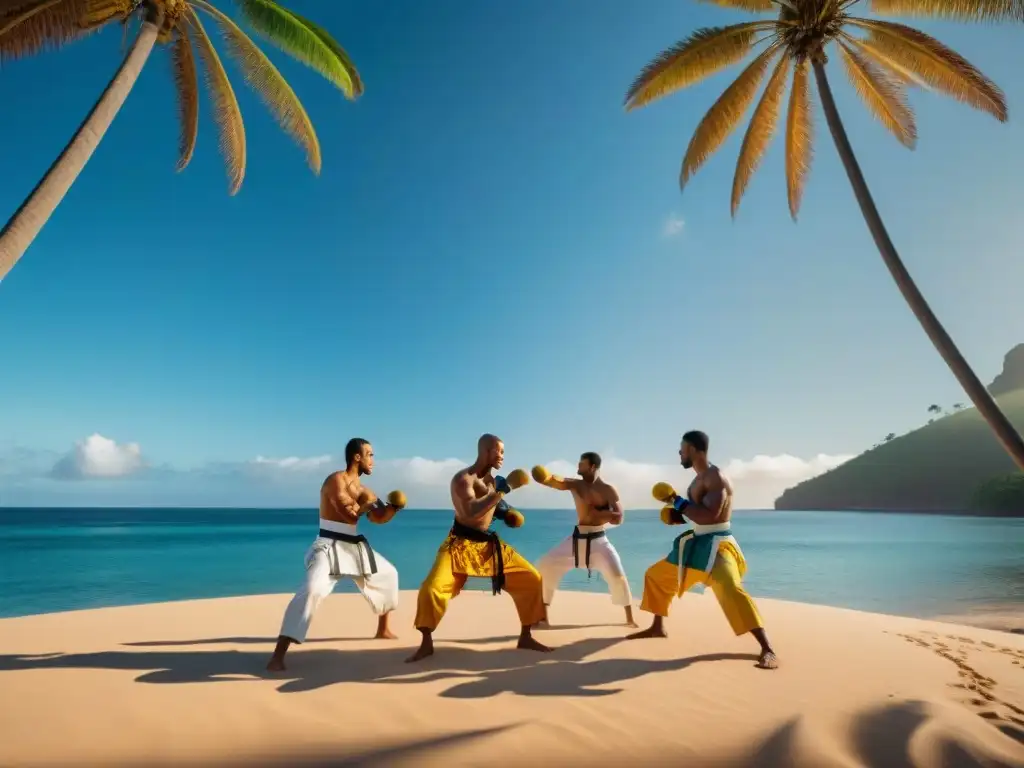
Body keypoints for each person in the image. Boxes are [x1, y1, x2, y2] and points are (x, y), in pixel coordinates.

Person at [627, 430, 779, 670]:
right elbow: (697, 514)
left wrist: (677, 501)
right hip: (697, 542)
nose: (679, 452)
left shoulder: (715, 478)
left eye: (682, 448)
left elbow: (711, 516)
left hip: (718, 545)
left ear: (695, 450)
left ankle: (767, 649)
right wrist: (675, 515)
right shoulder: (698, 480)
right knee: (655, 576)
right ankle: (658, 627)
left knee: (731, 589)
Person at [406, 433, 552, 663]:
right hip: (459, 544)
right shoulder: (463, 480)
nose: (502, 456)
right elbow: (471, 511)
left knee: (531, 578)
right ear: (486, 451)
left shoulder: (493, 483)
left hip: (487, 545)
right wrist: (504, 489)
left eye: (503, 452)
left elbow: (495, 504)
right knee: (432, 588)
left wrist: (508, 513)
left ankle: (526, 636)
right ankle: (426, 643)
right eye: (499, 451)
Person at [266, 438, 406, 672]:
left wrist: (392, 509)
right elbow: (348, 516)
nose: (373, 460)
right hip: (329, 545)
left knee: (389, 574)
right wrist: (365, 505)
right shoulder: (335, 481)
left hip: (353, 546)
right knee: (312, 590)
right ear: (357, 457)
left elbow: (378, 518)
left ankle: (383, 629)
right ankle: (278, 654)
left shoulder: (365, 491)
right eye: (370, 454)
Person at [532, 452, 636, 627]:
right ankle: (543, 615)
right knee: (545, 564)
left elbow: (619, 517)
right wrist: (544, 478)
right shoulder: (576, 485)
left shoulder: (608, 489)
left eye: (582, 464)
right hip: (576, 538)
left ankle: (630, 619)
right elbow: (558, 481)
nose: (578, 466)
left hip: (599, 540)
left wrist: (600, 513)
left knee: (618, 575)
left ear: (593, 467)